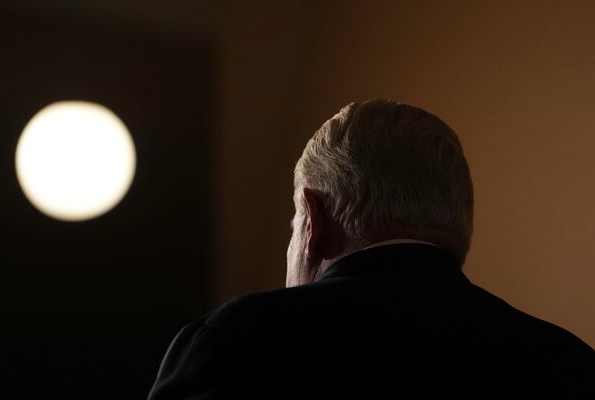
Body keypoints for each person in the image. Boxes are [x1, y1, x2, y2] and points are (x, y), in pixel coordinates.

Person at [148, 100, 595, 399]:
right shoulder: (567, 361)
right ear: (458, 227)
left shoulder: (233, 342)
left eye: (293, 221)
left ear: (312, 220)